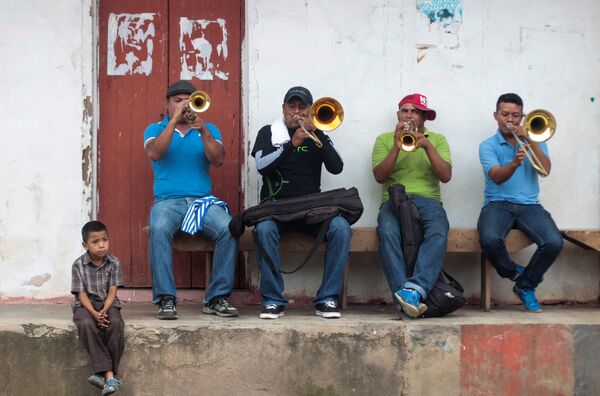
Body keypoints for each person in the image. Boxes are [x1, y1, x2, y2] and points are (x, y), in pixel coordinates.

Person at [250, 86, 351, 319]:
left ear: (311, 110)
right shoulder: (268, 133)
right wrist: (291, 144)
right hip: (277, 207)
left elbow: (337, 167)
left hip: (310, 208)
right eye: (291, 106)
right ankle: (273, 300)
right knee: (263, 229)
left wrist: (321, 136)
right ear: (283, 108)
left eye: (302, 107)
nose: (296, 111)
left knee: (340, 228)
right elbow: (262, 166)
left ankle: (327, 298)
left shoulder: (318, 134)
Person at [144, 80, 239, 320]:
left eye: (189, 100)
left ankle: (216, 298)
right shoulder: (154, 129)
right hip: (168, 201)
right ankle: (166, 298)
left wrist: (204, 131)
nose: (184, 105)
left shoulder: (209, 129)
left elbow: (217, 160)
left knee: (230, 228)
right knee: (159, 228)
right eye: (178, 101)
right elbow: (155, 152)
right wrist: (175, 120)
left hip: (202, 201)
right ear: (167, 104)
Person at [477, 93, 563, 312]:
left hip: (529, 206)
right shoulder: (487, 145)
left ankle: (525, 286)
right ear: (495, 115)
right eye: (505, 114)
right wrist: (514, 164)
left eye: (516, 116)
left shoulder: (534, 140)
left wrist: (531, 141)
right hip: (497, 204)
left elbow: (545, 170)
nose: (510, 120)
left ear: (522, 118)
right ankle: (515, 273)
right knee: (489, 239)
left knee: (553, 242)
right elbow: (496, 176)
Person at [372, 93, 452, 318]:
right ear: (398, 114)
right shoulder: (384, 139)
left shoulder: (437, 140)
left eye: (415, 111)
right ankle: (405, 296)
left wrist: (426, 145)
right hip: (394, 198)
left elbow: (445, 176)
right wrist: (398, 144)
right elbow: (379, 176)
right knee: (387, 233)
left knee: (438, 230)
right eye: (405, 111)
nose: (409, 115)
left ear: (423, 117)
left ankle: (414, 290)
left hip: (428, 199)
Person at [71, 221, 124, 395]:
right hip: (85, 305)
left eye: (105, 239)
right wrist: (94, 313)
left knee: (115, 323)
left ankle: (100, 374)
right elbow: (81, 294)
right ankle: (109, 376)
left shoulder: (114, 262)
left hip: (107, 303)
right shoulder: (78, 265)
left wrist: (104, 310)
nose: (102, 245)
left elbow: (112, 291)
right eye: (95, 242)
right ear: (85, 245)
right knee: (86, 324)